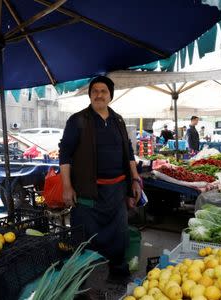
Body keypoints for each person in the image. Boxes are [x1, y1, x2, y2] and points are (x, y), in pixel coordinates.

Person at [59, 76, 142, 278]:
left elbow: (129, 153)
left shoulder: (118, 120)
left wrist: (135, 179)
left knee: (119, 235)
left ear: (110, 96)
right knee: (85, 237)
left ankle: (118, 274)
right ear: (90, 95)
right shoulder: (78, 120)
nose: (99, 94)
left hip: (116, 191)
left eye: (103, 91)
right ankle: (82, 281)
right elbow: (65, 154)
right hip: (88, 192)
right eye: (95, 91)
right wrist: (66, 186)